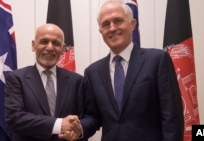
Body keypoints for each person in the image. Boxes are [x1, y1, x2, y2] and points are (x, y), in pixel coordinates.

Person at [70, 1, 184, 140]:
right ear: (101, 31)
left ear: (132, 24)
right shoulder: (92, 72)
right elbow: (94, 117)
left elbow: (171, 117)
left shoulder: (157, 60)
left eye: (118, 21)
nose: (112, 28)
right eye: (106, 24)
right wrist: (79, 128)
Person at [4, 23, 85, 141]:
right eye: (44, 41)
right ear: (33, 45)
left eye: (56, 43)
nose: (50, 47)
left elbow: (84, 119)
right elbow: (15, 118)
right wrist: (59, 125)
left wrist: (76, 131)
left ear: (63, 48)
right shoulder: (16, 78)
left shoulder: (77, 81)